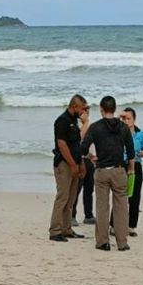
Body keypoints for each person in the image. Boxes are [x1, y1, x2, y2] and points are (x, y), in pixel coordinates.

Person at [81, 96, 135, 251]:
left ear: (101, 110)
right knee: (121, 208)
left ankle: (103, 242)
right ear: (115, 109)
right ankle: (122, 242)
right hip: (119, 171)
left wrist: (91, 157)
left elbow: (83, 148)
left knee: (102, 207)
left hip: (102, 170)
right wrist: (131, 170)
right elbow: (131, 153)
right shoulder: (123, 127)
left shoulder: (96, 127)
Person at [49, 95, 88, 242]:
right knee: (63, 197)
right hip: (64, 164)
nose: (83, 111)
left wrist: (81, 163)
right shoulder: (62, 121)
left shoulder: (74, 121)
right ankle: (55, 230)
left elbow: (77, 145)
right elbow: (62, 144)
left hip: (75, 163)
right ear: (75, 106)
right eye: (82, 108)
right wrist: (72, 164)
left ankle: (66, 229)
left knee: (71, 198)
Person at [119, 107, 143, 237]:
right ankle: (114, 225)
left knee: (134, 196)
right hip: (122, 164)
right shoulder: (117, 133)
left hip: (136, 165)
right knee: (120, 196)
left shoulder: (141, 134)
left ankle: (131, 226)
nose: (126, 121)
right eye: (124, 118)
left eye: (128, 118)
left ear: (134, 119)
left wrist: (142, 153)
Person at [72, 105, 96, 226]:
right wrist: (85, 122)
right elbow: (79, 138)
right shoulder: (75, 125)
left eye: (88, 112)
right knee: (77, 189)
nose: (86, 114)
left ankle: (89, 215)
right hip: (79, 160)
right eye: (84, 112)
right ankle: (72, 215)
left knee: (89, 188)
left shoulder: (91, 125)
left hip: (90, 160)